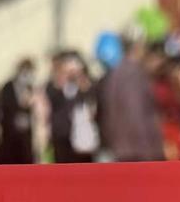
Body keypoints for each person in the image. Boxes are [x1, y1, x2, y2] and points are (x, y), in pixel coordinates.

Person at [101, 28, 164, 163]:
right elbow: (134, 112)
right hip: (136, 150)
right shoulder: (132, 73)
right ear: (138, 46)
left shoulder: (118, 71)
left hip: (125, 148)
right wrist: (149, 150)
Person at [46, 52, 99, 164]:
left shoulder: (86, 85)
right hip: (62, 138)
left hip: (82, 139)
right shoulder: (54, 87)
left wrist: (82, 81)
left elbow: (92, 99)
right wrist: (61, 79)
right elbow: (51, 99)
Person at [0, 58, 39, 165]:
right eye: (25, 71)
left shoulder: (31, 89)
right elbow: (2, 108)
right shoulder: (8, 87)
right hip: (10, 137)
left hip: (26, 139)